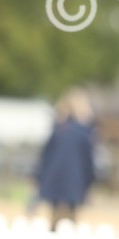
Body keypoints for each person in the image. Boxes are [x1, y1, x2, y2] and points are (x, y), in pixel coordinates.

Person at [34, 89, 97, 231]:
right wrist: (90, 181)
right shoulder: (84, 133)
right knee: (71, 220)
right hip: (75, 181)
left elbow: (45, 157)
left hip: (54, 180)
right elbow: (88, 162)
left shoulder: (59, 130)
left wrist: (39, 177)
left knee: (54, 221)